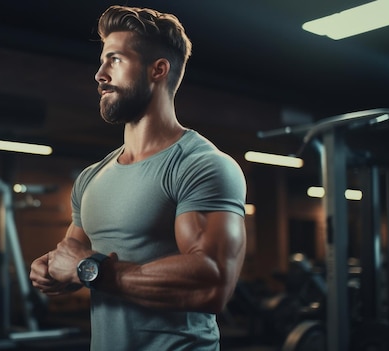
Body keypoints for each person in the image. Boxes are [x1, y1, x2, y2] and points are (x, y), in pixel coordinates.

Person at [29, 5, 247, 350]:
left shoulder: (202, 165)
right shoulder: (91, 177)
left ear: (158, 70)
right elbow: (74, 258)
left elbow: (213, 283)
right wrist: (53, 270)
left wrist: (90, 270)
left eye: (115, 60)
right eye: (102, 61)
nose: (100, 74)